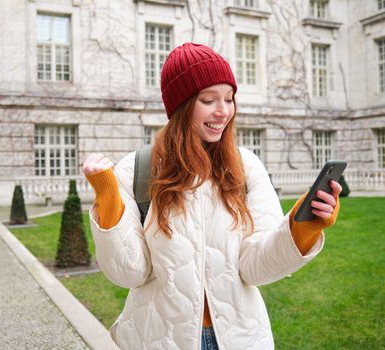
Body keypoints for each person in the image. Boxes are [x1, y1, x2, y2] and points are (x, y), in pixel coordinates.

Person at [82, 43, 341, 350]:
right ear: (181, 105)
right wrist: (109, 198)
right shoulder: (137, 170)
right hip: (157, 340)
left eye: (229, 99)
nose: (223, 111)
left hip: (241, 339)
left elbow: (255, 268)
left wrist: (303, 227)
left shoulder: (247, 167)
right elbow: (129, 272)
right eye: (208, 100)